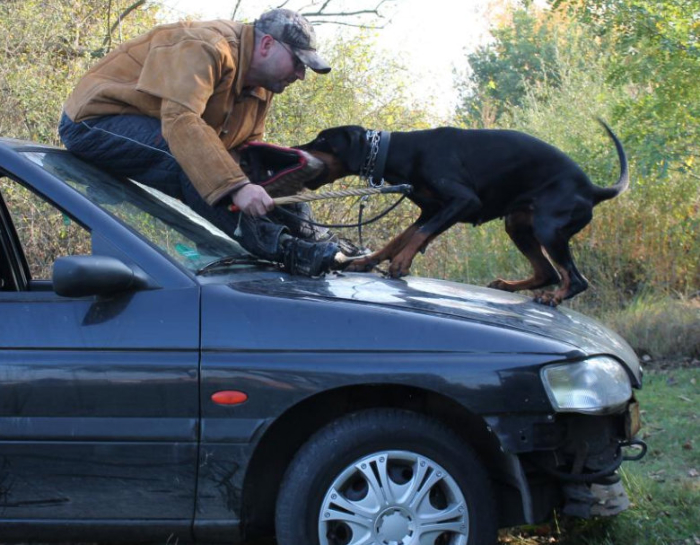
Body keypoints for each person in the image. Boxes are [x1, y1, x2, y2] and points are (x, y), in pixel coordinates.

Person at [59, 8, 344, 276]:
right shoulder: (208, 46)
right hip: (92, 122)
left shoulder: (263, 86)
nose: (301, 75)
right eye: (297, 62)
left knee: (244, 170)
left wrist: (277, 175)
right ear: (267, 44)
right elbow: (181, 122)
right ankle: (287, 251)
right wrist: (238, 187)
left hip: (158, 127)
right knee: (191, 159)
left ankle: (321, 245)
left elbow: (244, 150)